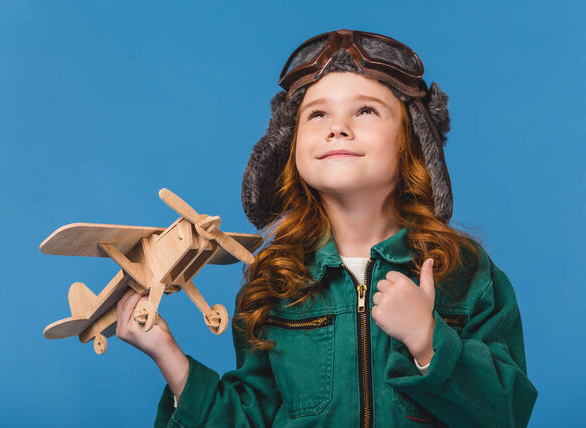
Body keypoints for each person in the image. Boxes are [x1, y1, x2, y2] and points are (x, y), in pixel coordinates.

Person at [116, 29, 538, 427]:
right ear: (290, 145)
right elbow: (252, 417)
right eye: (317, 114)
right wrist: (168, 356)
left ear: (412, 140)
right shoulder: (275, 281)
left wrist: (428, 341)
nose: (338, 127)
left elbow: (508, 412)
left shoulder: (463, 272)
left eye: (366, 110)